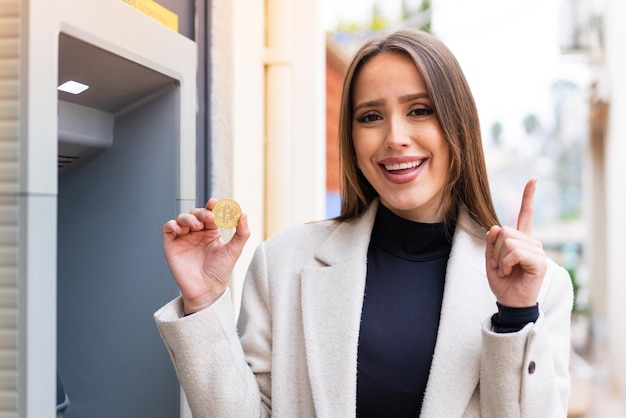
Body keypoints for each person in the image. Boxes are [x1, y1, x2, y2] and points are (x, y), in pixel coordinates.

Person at [154, 28, 573, 417]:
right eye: (371, 116)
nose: (394, 136)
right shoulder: (282, 264)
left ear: (457, 125)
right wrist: (205, 302)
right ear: (352, 141)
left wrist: (516, 317)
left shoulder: (540, 287)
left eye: (420, 110)